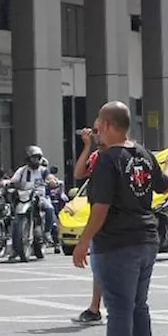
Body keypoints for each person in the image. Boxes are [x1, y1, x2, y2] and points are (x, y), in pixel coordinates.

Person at [72, 101, 168, 336]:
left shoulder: (108, 160)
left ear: (107, 125)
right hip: (146, 239)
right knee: (138, 306)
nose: (96, 130)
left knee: (119, 307)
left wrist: (83, 242)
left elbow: (100, 208)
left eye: (98, 125)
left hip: (117, 242)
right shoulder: (143, 154)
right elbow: (164, 184)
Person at [71, 125, 105, 325]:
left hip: (115, 218)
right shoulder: (96, 156)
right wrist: (87, 146)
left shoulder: (121, 154)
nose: (94, 133)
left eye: (97, 130)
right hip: (99, 216)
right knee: (99, 264)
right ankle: (95, 307)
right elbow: (78, 173)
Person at [9, 145, 58, 254]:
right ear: (28, 159)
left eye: (37, 158)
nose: (35, 160)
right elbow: (14, 179)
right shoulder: (22, 170)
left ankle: (47, 232)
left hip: (39, 197)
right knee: (15, 219)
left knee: (49, 208)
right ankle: (15, 247)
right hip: (24, 196)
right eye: (33, 158)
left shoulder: (43, 170)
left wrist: (52, 181)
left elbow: (50, 177)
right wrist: (7, 182)